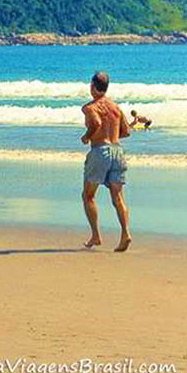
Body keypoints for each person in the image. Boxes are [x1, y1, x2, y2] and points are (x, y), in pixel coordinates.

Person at [80, 71, 132, 252]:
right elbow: (126, 132)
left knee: (88, 195)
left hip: (100, 151)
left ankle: (95, 235)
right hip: (118, 151)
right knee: (118, 197)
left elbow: (95, 123)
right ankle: (125, 233)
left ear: (93, 86)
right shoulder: (116, 108)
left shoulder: (90, 107)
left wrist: (87, 136)